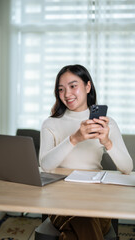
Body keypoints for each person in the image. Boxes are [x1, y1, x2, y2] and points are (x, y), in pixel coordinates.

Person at [39, 64, 133, 240]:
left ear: (87, 86)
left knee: (82, 220)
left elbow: (127, 168)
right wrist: (74, 139)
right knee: (82, 219)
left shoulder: (107, 123)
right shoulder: (50, 124)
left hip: (96, 201)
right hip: (60, 203)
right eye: (61, 89)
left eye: (73, 86)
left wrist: (107, 141)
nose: (67, 94)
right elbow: (45, 165)